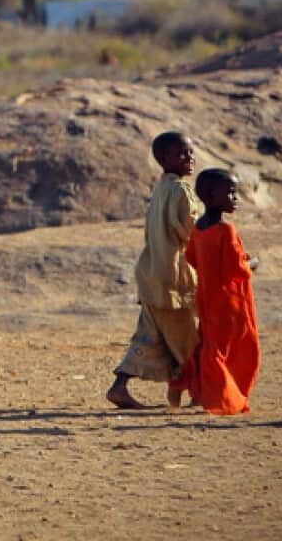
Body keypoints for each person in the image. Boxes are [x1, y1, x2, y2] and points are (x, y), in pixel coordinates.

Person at [106, 131, 200, 411]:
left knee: (148, 337)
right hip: (173, 281)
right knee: (188, 341)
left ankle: (119, 387)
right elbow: (191, 232)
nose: (189, 158)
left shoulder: (162, 187)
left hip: (150, 275)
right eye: (182, 154)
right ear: (163, 159)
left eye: (191, 153)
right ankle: (200, 392)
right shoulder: (181, 191)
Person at [170, 169, 260, 414]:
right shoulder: (225, 229)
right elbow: (237, 268)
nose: (235, 198)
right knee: (235, 349)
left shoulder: (199, 228)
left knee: (209, 345)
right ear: (211, 195)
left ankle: (193, 388)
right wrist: (252, 262)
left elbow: (192, 257)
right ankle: (221, 397)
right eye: (230, 192)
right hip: (231, 301)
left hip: (207, 297)